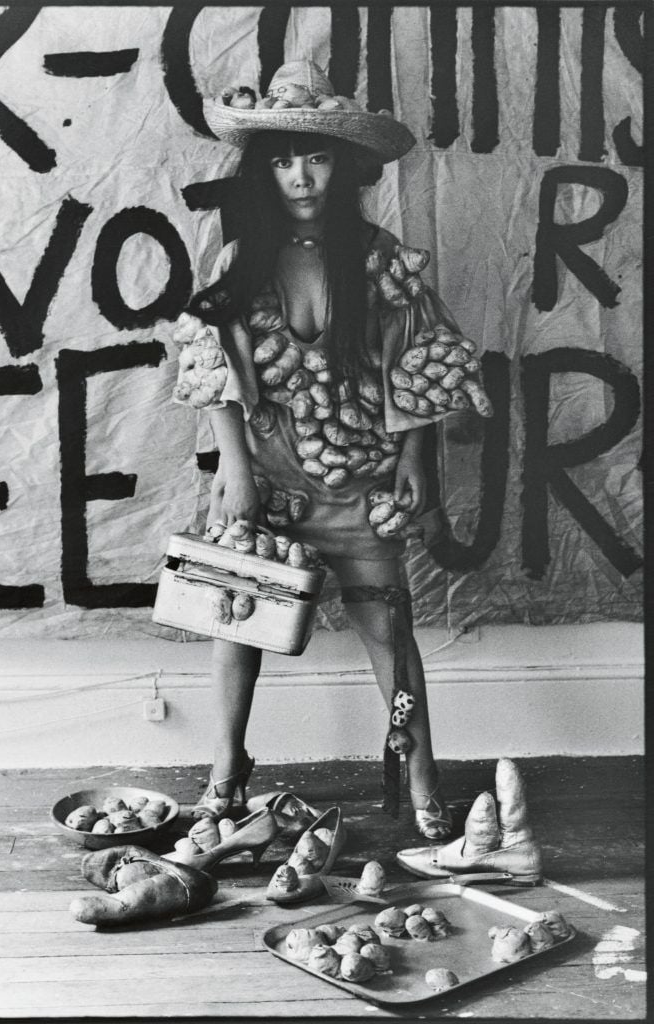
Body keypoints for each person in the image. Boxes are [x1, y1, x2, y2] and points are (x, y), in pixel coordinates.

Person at [172, 61, 491, 840]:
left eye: (314, 157)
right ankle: (223, 776)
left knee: (391, 632)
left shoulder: (382, 259)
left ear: (343, 163)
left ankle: (420, 783)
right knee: (236, 622)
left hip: (364, 486)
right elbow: (208, 363)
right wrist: (236, 469)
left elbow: (423, 361)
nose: (300, 176)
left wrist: (417, 463)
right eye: (281, 160)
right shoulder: (240, 260)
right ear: (263, 171)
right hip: (269, 481)